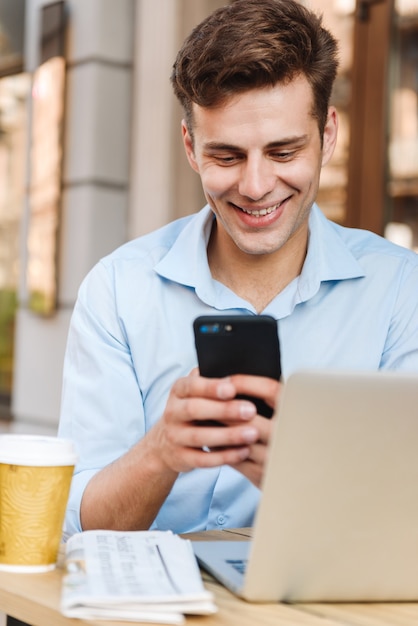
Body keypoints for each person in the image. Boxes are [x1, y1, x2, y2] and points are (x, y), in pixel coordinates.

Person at [58, 0, 418, 538]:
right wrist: (161, 452)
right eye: (226, 156)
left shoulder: (399, 291)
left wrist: (300, 477)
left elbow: (405, 525)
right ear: (191, 147)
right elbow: (82, 533)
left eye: (283, 151)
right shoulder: (118, 289)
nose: (254, 186)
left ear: (328, 135)